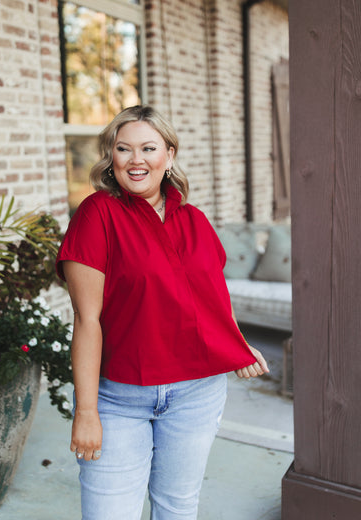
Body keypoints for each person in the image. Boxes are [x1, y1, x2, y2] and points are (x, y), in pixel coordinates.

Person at [56, 105, 269, 520]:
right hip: (120, 397)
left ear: (169, 155)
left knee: (177, 508)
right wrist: (86, 411)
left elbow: (208, 299)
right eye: (124, 149)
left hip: (197, 393)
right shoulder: (97, 214)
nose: (136, 160)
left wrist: (237, 344)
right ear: (111, 157)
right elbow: (87, 319)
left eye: (148, 148)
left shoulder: (195, 221)